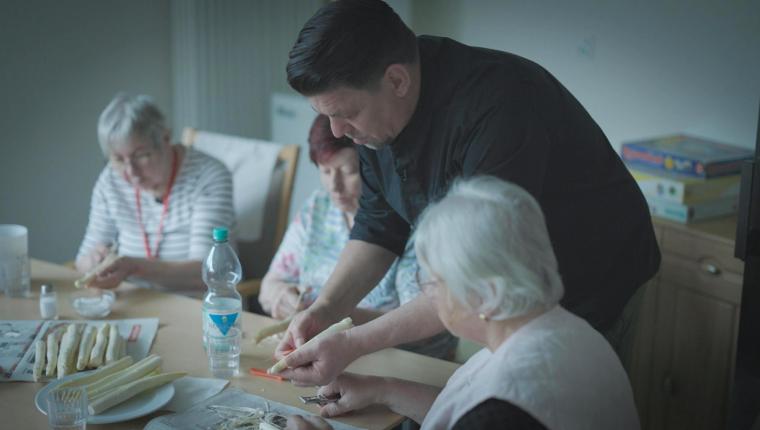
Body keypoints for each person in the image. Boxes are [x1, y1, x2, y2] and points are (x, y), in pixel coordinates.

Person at [274, 0, 660, 385]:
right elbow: (379, 226)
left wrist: (353, 343)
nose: (337, 131)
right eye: (325, 115)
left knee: (561, 405)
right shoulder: (376, 120)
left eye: (346, 113)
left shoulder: (500, 107)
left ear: (397, 81)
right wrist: (325, 310)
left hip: (592, 279)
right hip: (495, 292)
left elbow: (472, 274)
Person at [283, 176, 640, 430]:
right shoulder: (563, 331)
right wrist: (383, 390)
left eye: (434, 282)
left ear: (486, 296)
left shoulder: (508, 407)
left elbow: (488, 416)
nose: (429, 294)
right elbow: (466, 412)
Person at [259, 114, 455, 358]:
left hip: (399, 358)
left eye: (348, 171)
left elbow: (425, 326)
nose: (334, 186)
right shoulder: (317, 207)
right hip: (327, 348)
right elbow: (269, 286)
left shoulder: (412, 221)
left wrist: (332, 315)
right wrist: (282, 298)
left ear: (374, 169)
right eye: (325, 171)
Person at [75, 93, 235, 296]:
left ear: (166, 139)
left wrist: (133, 268)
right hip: (134, 302)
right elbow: (82, 260)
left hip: (199, 308)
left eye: (141, 155)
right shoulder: (110, 180)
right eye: (118, 159)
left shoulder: (208, 176)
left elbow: (208, 273)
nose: (131, 172)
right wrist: (92, 263)